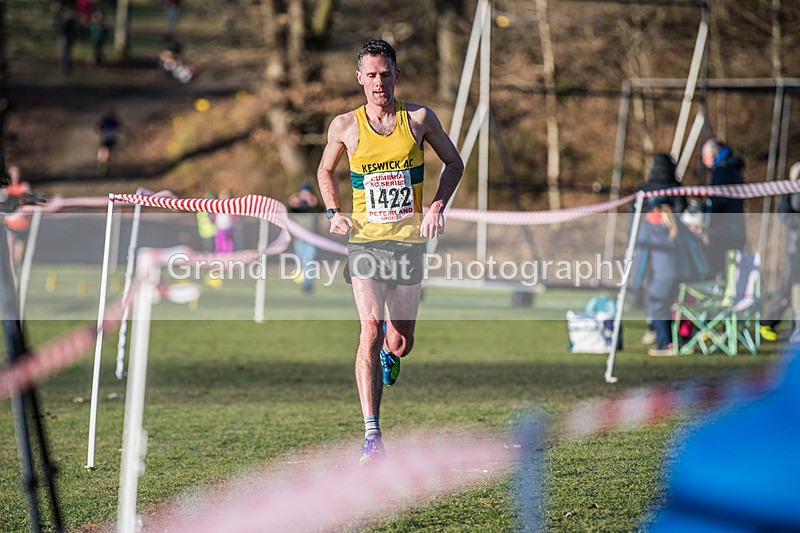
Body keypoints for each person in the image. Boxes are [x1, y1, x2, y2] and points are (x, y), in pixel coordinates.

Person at [316, 39, 463, 465]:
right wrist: (332, 212)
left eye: (386, 74)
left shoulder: (418, 119)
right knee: (370, 329)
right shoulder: (345, 125)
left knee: (399, 342)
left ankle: (388, 355)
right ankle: (372, 436)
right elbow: (325, 169)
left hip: (408, 244)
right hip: (364, 242)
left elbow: (454, 163)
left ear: (396, 75)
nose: (379, 83)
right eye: (371, 75)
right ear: (359, 78)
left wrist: (436, 205)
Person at [631, 200, 710, 356]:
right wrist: (703, 271)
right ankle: (682, 340)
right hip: (684, 274)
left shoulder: (648, 226)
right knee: (675, 307)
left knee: (656, 307)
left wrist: (637, 284)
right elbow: (694, 247)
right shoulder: (677, 223)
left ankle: (666, 344)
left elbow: (640, 258)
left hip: (664, 275)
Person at [632, 153, 684, 345]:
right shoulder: (677, 190)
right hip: (677, 263)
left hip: (658, 261)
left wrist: (635, 284)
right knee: (668, 300)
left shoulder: (643, 192)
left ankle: (663, 339)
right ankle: (672, 336)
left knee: (657, 301)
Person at [761, 161, 800, 342]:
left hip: (794, 248)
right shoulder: (792, 194)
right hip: (795, 249)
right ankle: (768, 322)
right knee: (789, 287)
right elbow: (786, 215)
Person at [700, 138, 747, 278]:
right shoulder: (732, 168)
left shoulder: (723, 170)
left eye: (704, 156)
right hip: (733, 228)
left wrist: (707, 219)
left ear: (712, 155)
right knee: (730, 273)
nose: (703, 161)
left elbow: (719, 200)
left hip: (724, 231)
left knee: (714, 268)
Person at [287, 183, 324, 294]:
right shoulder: (297, 208)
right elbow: (288, 211)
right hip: (298, 240)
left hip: (311, 240)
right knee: (302, 263)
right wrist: (292, 203)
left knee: (309, 261)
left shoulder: (314, 207)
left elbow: (320, 210)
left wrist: (314, 203)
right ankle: (306, 284)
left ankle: (307, 285)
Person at [2, 165, 32, 269]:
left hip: (23, 224)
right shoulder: (6, 188)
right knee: (10, 252)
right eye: (11, 173)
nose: (14, 176)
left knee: (18, 256)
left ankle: (15, 275)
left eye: (16, 173)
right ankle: (11, 274)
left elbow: (30, 200)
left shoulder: (24, 186)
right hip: (10, 224)